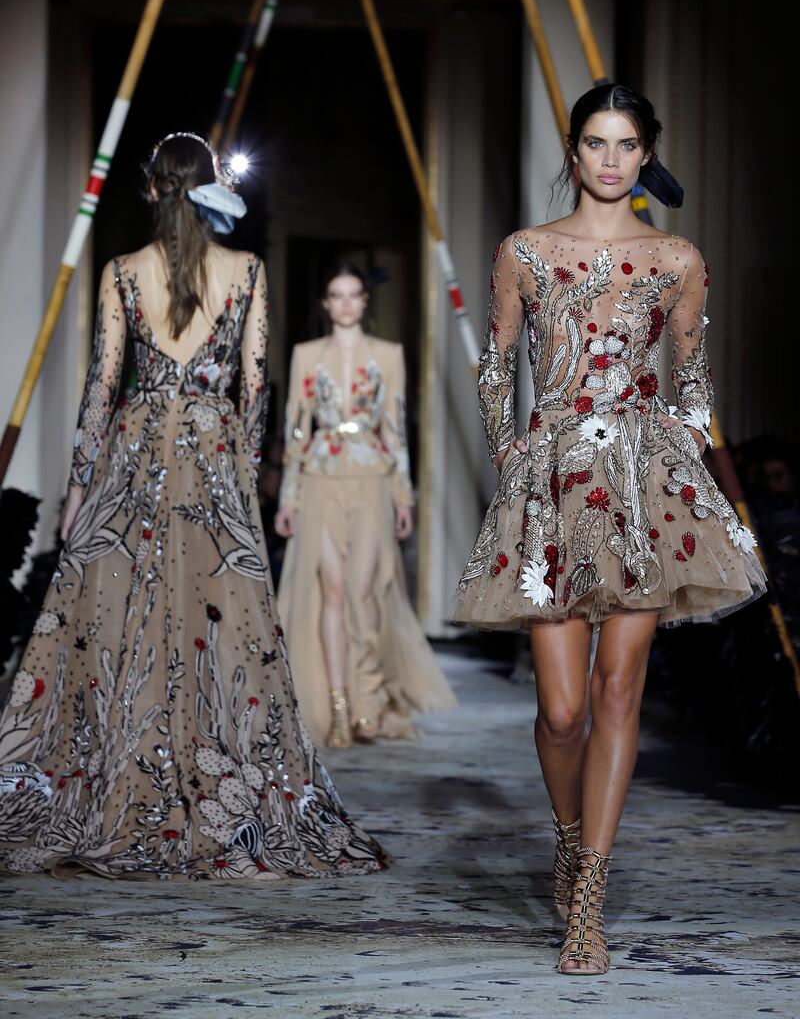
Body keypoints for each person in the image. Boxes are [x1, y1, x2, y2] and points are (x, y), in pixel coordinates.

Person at [0, 133, 386, 880]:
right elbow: (255, 387)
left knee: (115, 621)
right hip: (210, 458)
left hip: (136, 453)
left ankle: (112, 778)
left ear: (151, 189)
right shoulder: (246, 271)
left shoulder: (121, 272)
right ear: (210, 188)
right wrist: (241, 476)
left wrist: (81, 487)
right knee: (222, 626)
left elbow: (102, 388)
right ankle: (221, 783)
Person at [454, 85, 766, 974]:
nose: (611, 159)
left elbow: (692, 378)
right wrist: (512, 454)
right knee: (561, 710)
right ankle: (566, 834)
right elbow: (494, 363)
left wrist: (701, 465)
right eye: (596, 142)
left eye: (628, 145)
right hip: (551, 482)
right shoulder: (526, 251)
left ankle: (588, 899)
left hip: (642, 486)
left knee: (619, 691)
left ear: (645, 155)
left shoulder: (676, 257)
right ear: (575, 149)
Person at [274, 264, 456, 748]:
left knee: (364, 591)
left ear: (364, 302)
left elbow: (395, 428)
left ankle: (369, 704)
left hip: (373, 478)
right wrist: (287, 497)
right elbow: (296, 428)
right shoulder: (306, 355)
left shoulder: (389, 355)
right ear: (326, 304)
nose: (347, 303)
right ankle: (338, 712)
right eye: (337, 295)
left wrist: (404, 496)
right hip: (319, 478)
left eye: (354, 295)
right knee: (332, 592)